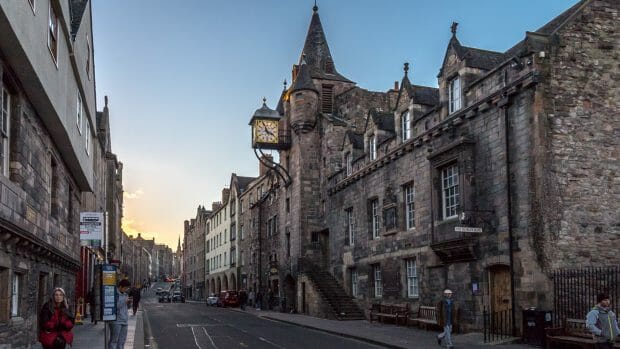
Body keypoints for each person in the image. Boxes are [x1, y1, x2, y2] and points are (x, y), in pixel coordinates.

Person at [108, 279, 132, 349]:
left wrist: (129, 303)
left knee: (122, 341)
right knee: (114, 340)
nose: (126, 289)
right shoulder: (114, 294)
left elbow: (127, 307)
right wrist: (125, 301)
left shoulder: (126, 294)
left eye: (127, 288)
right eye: (125, 288)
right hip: (116, 321)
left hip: (124, 320)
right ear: (120, 287)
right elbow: (115, 306)